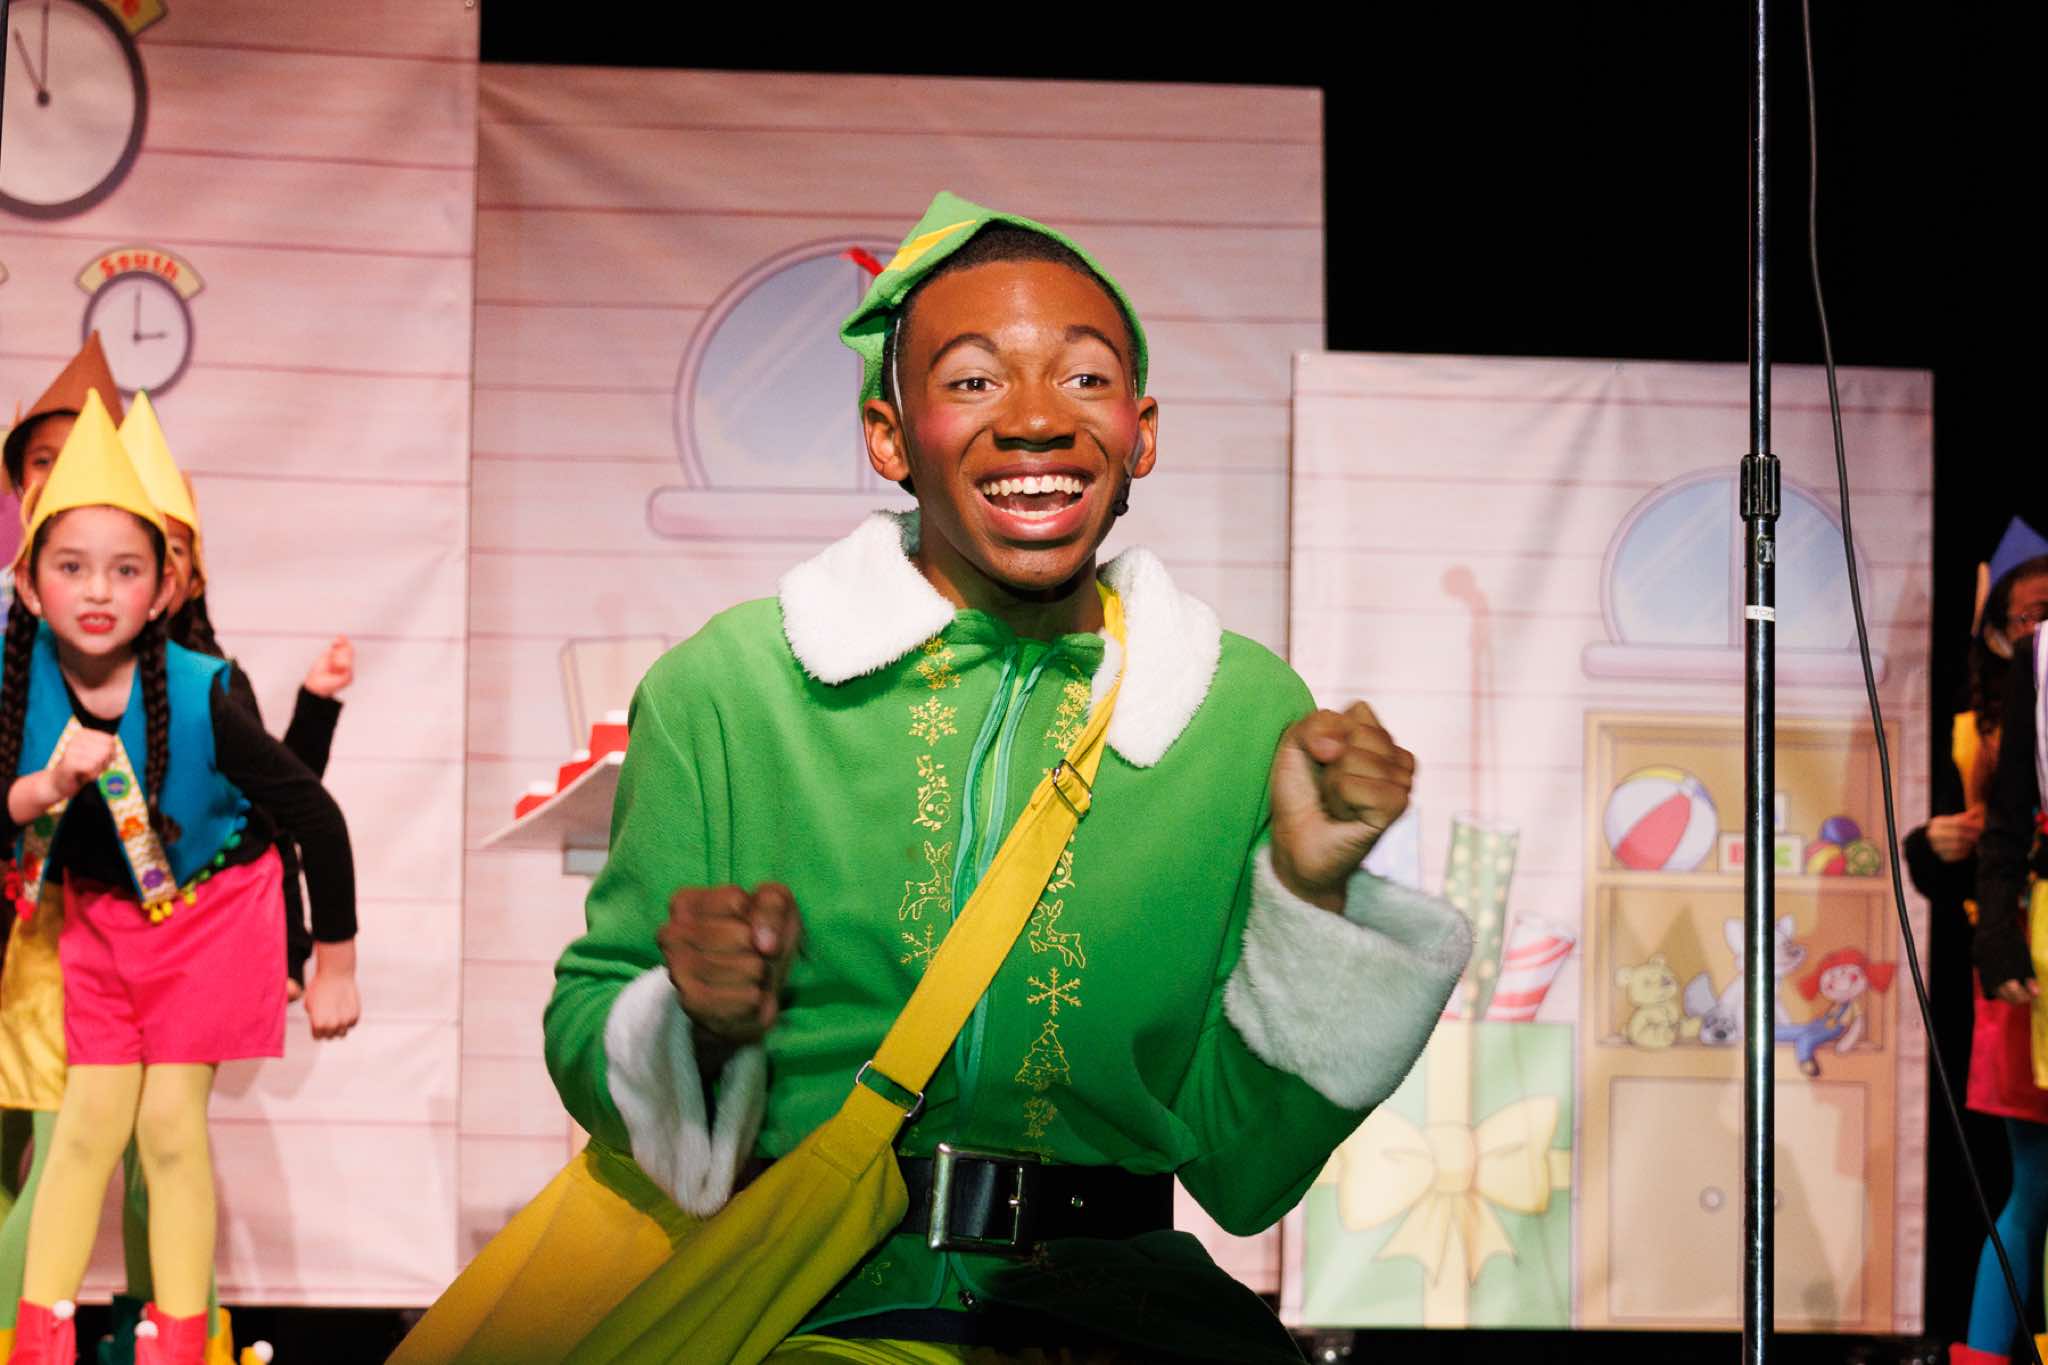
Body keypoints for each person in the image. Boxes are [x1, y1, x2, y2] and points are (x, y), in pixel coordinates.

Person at [399, 191, 1471, 1364]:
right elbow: (589, 1025)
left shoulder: (1240, 711)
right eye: (971, 381)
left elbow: (1243, 1169)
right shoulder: (727, 690)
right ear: (888, 435)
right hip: (799, 1314)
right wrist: (690, 1022)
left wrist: (1310, 897)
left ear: (1141, 435)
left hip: (1117, 1326)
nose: (1034, 420)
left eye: (1084, 378)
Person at [0, 393, 355, 1365]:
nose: (98, 590)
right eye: (71, 567)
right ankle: (36, 1342)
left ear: (164, 587)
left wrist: (332, 961)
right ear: (27, 582)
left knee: (165, 1123)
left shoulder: (202, 690)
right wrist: (46, 784)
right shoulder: (17, 681)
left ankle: (178, 1343)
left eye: (126, 569)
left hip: (212, 915)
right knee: (85, 1124)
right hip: (101, 921)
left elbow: (310, 813)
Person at [1952, 518, 2048, 1365]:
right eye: (2025, 615)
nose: (2037, 626)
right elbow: (2000, 828)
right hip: (2025, 944)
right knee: (2035, 1181)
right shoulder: (1997, 714)